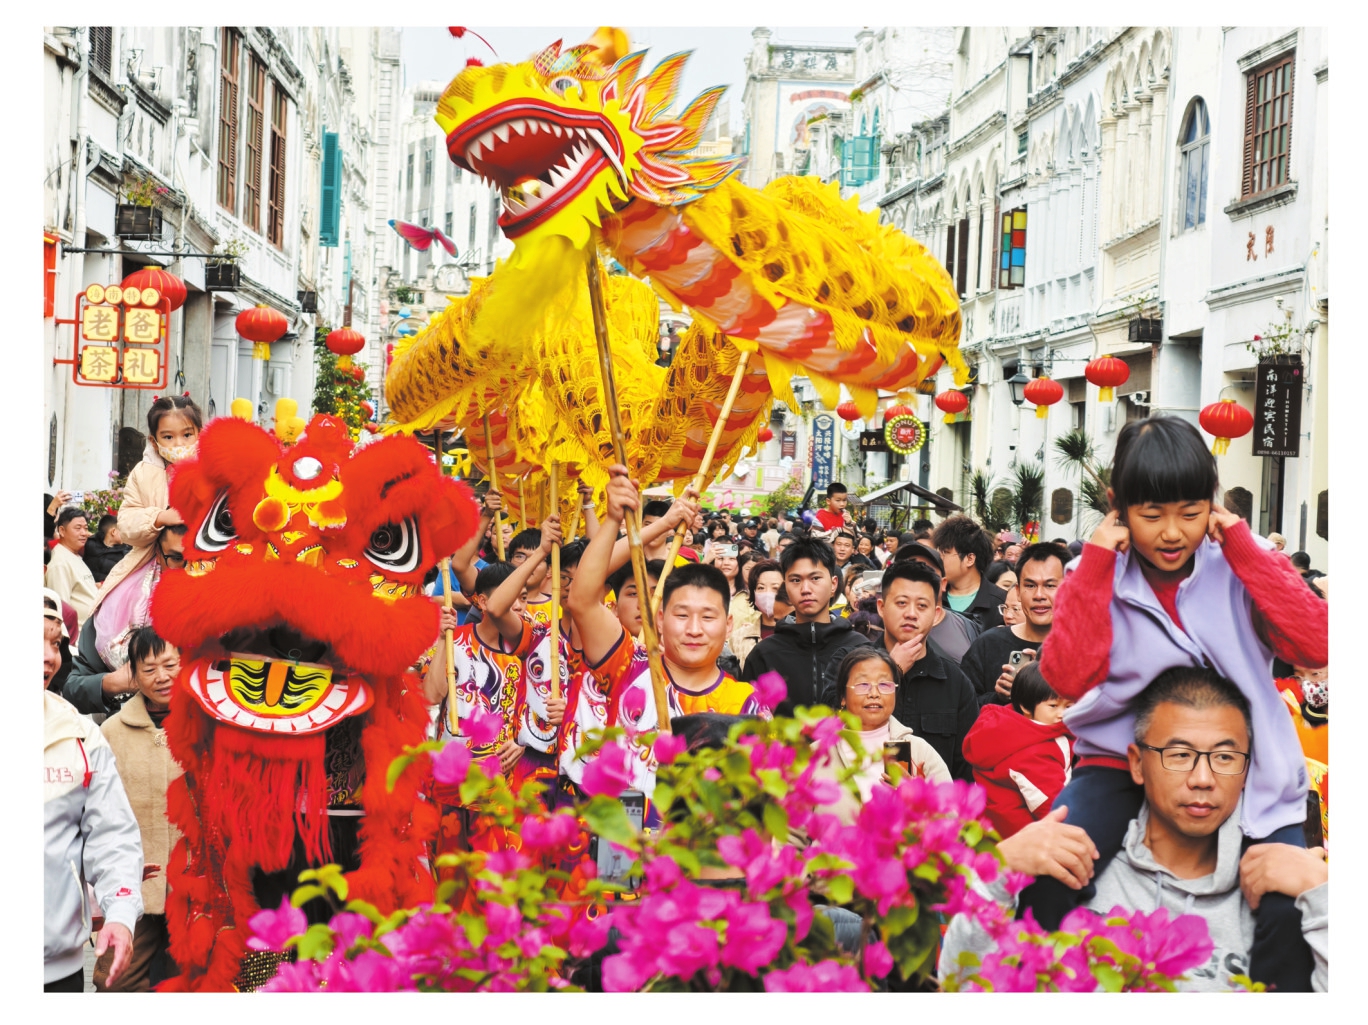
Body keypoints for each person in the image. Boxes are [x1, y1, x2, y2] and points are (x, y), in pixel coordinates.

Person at [1026, 415, 1327, 990]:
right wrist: (1094, 565)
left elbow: (1315, 642)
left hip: (1249, 766)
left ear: (1211, 504)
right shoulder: (1093, 570)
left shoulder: (1245, 558)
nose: (1172, 533)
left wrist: (1241, 545)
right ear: (1118, 506)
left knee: (1289, 908)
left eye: (1190, 512)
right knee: (1051, 876)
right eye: (1151, 514)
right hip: (1118, 763)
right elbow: (1065, 675)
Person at [940, 666, 1328, 992]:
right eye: (1179, 755)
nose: (1203, 778)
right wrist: (996, 874)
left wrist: (1326, 899)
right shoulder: (1072, 869)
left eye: (1225, 757)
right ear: (1137, 763)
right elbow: (963, 986)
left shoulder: (1286, 888)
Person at [45, 608, 144, 992]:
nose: (48, 656)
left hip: (58, 968)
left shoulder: (81, 736)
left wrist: (120, 914)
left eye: (55, 642)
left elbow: (111, 835)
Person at [93, 626, 184, 991]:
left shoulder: (208, 725)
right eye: (148, 669)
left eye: (170, 665)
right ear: (133, 673)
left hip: (194, 888)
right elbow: (98, 816)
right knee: (115, 981)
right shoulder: (112, 732)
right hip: (133, 888)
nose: (161, 677)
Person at [861, 560, 980, 782]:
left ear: (936, 615)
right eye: (902, 603)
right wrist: (890, 671)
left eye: (922, 606)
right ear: (881, 607)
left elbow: (966, 771)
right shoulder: (851, 666)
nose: (911, 614)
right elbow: (836, 732)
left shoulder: (956, 683)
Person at [739, 536, 869, 717]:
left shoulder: (859, 648)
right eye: (795, 580)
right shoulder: (764, 654)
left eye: (815, 578)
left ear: (833, 584)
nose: (805, 589)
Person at [99, 394, 203, 620]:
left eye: (187, 435)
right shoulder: (144, 473)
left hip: (207, 565)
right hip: (153, 565)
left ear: (199, 433)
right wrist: (159, 518)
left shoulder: (215, 468)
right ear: (154, 441)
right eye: (168, 436)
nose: (179, 444)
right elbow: (126, 526)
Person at [65, 524, 187, 716]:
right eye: (177, 558)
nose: (190, 568)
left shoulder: (235, 608)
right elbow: (73, 689)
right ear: (156, 552)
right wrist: (111, 683)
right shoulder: (118, 611)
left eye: (203, 559)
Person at [962, 661, 1074, 839]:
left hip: (996, 833)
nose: (1062, 713)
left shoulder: (1012, 726)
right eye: (1053, 706)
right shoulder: (1033, 752)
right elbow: (1052, 808)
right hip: (1024, 841)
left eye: (1068, 706)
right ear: (1026, 707)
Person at [829, 647, 950, 802]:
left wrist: (918, 798)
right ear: (842, 697)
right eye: (863, 684)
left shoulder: (920, 751)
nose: (874, 693)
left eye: (884, 685)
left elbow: (951, 816)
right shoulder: (819, 754)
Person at [961, 542, 1069, 708]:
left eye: (1049, 585)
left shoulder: (1084, 650)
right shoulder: (987, 645)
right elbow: (962, 709)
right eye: (1030, 585)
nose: (1039, 595)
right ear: (1018, 592)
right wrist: (1000, 697)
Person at [889, 540, 980, 663]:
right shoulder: (880, 627)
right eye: (907, 571)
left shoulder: (967, 627)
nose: (917, 580)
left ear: (943, 583)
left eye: (928, 572)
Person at [931, 514, 1006, 631]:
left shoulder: (1000, 603)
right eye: (939, 552)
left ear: (970, 559)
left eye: (945, 552)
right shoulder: (933, 596)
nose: (939, 558)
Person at [727, 558, 791, 667]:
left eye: (775, 588)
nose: (767, 593)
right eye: (761, 588)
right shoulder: (739, 637)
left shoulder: (798, 635)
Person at [47, 506, 99, 629]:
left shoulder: (75, 555)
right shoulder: (59, 563)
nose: (84, 533)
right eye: (78, 528)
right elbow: (61, 609)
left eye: (86, 528)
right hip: (77, 641)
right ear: (62, 531)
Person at [84, 514, 131, 584]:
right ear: (113, 532)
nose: (125, 534)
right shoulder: (89, 544)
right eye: (122, 531)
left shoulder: (126, 552)